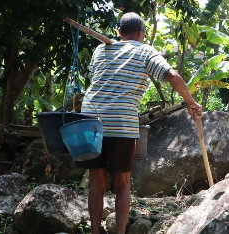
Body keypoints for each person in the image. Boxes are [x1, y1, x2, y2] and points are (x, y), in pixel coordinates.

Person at [77, 12, 203, 234]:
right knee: (122, 181)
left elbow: (96, 80)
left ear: (119, 33)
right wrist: (190, 102)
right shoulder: (145, 50)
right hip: (121, 120)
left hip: (90, 118)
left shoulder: (100, 50)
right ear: (141, 33)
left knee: (96, 180)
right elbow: (171, 75)